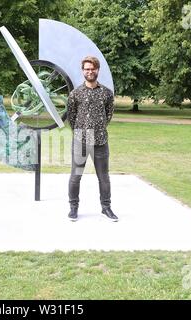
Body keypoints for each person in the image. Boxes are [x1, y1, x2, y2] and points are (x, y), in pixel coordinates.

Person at [66, 56, 118, 222]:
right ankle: (73, 208)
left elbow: (108, 114)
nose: (90, 71)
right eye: (87, 69)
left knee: (104, 177)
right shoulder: (75, 94)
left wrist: (98, 128)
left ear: (97, 70)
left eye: (92, 68)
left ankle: (106, 208)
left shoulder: (106, 93)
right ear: (83, 71)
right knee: (76, 176)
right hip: (81, 140)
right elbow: (71, 116)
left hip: (101, 141)